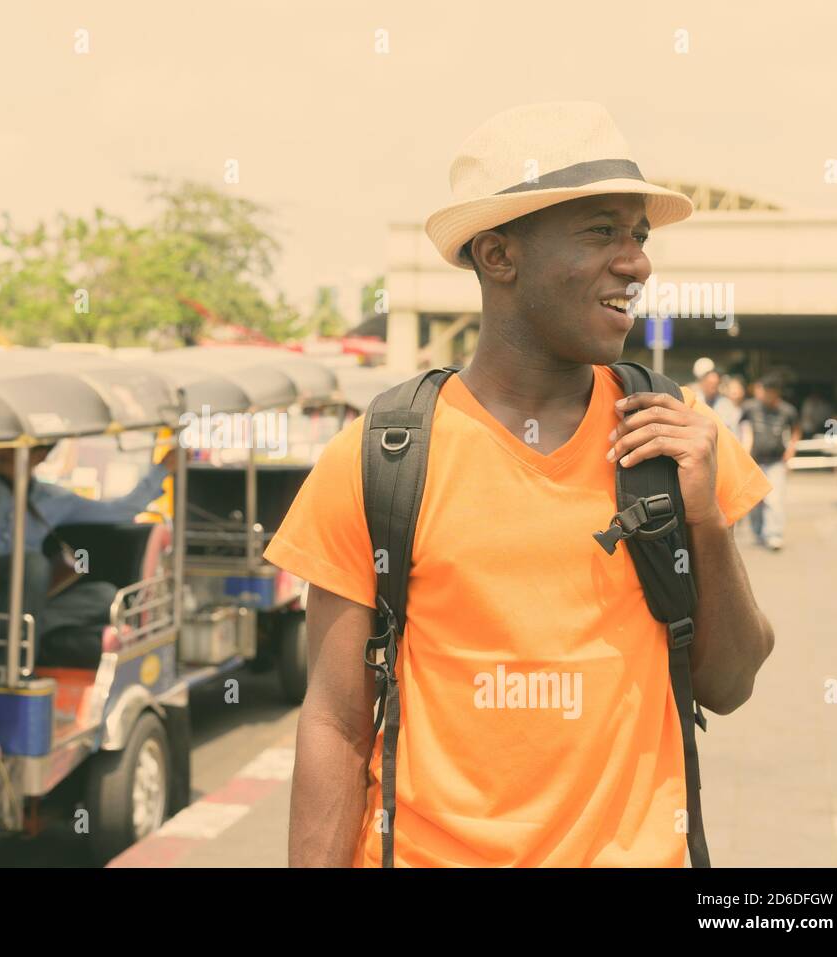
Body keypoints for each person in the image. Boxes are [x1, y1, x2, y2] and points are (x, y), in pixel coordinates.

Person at [265, 102, 776, 868]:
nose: (636, 262)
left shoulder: (673, 437)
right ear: (499, 255)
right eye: (602, 231)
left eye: (637, 235)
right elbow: (337, 721)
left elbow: (730, 683)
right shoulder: (380, 458)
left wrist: (705, 522)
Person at [0, 443, 177, 652]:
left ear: (42, 455)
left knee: (104, 596)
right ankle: (19, 660)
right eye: (6, 443)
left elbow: (120, 510)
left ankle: (6, 633)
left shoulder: (53, 498)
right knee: (33, 563)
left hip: (22, 601)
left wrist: (163, 468)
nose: (8, 451)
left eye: (22, 447)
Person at [740, 374, 801, 551]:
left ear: (776, 393)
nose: (765, 395)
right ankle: (758, 533)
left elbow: (796, 430)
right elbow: (742, 428)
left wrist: (791, 450)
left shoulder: (787, 410)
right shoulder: (750, 408)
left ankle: (774, 535)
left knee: (774, 500)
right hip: (754, 461)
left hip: (776, 461)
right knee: (755, 500)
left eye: (769, 392)